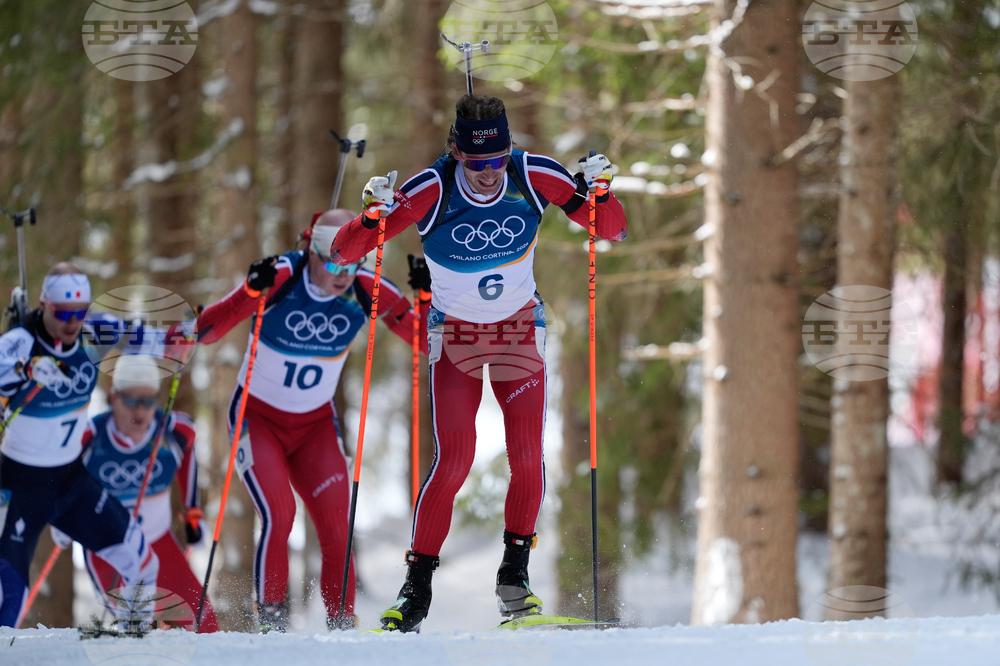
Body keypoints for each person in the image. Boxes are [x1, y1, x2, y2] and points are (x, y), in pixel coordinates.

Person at [330, 93, 627, 632]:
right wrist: (371, 215)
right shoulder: (430, 189)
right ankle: (414, 594)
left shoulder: (535, 175)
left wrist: (601, 193)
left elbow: (611, 230)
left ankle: (515, 582)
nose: (488, 173)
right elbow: (344, 254)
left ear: (508, 149)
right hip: (458, 337)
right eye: (475, 162)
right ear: (455, 152)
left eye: (496, 160)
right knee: (455, 460)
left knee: (528, 457)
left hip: (518, 330)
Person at [193, 209, 429, 632]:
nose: (343, 273)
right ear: (312, 251)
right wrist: (249, 293)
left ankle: (342, 625)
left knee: (338, 526)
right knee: (280, 514)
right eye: (334, 261)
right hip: (258, 419)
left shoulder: (366, 289)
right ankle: (273, 621)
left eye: (353, 261)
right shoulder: (284, 274)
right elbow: (207, 330)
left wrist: (427, 302)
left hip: (315, 427)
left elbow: (424, 340)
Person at [0, 264, 168, 628]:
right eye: (62, 312)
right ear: (44, 305)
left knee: (141, 562)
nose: (72, 322)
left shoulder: (94, 331)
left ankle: (135, 645)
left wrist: (178, 337)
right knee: (9, 598)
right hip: (20, 485)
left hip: (71, 482)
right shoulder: (22, 341)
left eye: (79, 311)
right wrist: (25, 371)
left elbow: (148, 337)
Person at [71, 353, 218, 632]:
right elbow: (61, 472)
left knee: (205, 624)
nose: (140, 411)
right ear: (114, 398)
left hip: (158, 542)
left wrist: (192, 512)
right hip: (109, 550)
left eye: (149, 401)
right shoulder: (92, 437)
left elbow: (188, 452)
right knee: (141, 628)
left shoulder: (173, 431)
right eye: (131, 400)